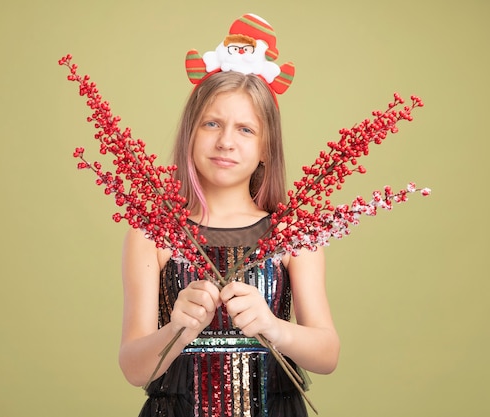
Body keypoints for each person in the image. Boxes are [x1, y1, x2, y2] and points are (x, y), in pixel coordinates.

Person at [118, 14, 340, 417]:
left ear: (266, 148)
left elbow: (326, 355)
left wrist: (273, 327)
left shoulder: (290, 233)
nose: (225, 142)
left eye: (245, 130)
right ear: (190, 133)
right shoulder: (153, 233)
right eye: (212, 124)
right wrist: (176, 330)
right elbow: (134, 368)